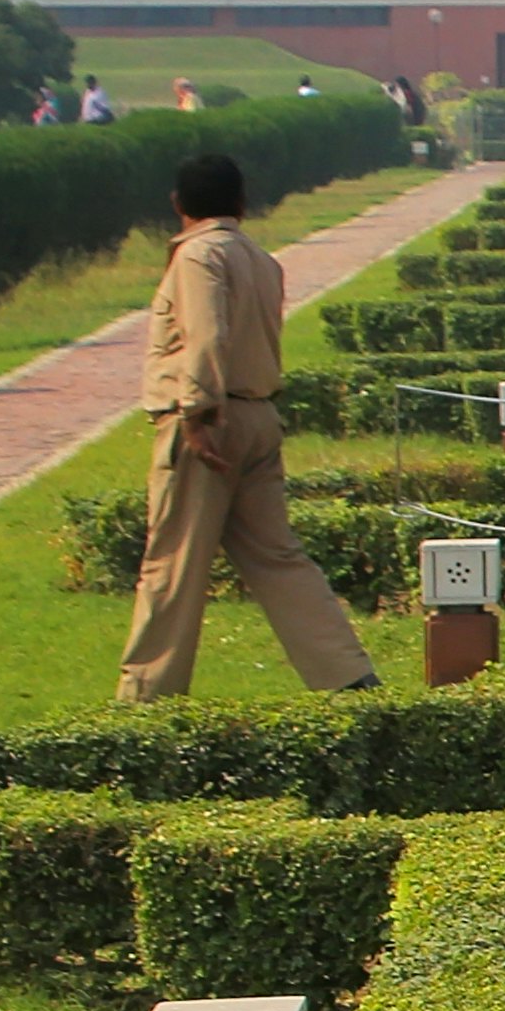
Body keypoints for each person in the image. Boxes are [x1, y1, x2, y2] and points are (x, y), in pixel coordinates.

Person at [115, 155, 379, 702]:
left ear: (178, 205)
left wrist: (198, 414)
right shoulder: (261, 258)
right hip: (259, 415)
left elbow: (206, 336)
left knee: (174, 564)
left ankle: (146, 697)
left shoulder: (197, 256)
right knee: (275, 555)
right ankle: (346, 673)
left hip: (211, 422)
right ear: (240, 204)